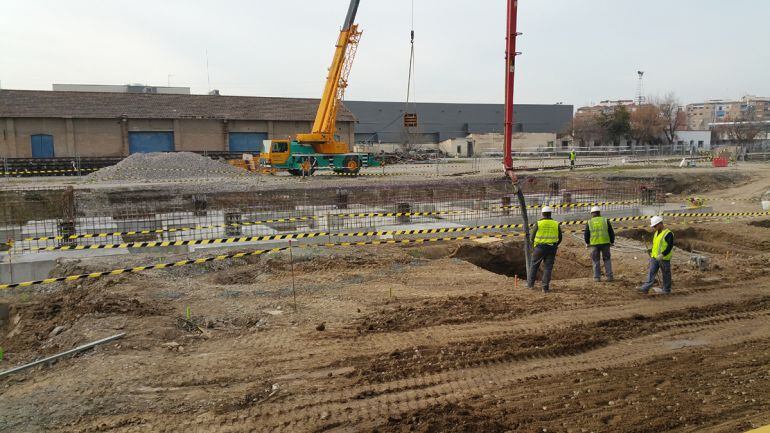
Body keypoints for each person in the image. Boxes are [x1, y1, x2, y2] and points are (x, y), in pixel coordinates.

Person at [528, 206, 562, 293]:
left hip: (539, 248)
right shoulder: (556, 223)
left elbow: (532, 237)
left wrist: (534, 246)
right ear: (550, 214)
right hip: (552, 248)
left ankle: (530, 285)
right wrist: (555, 245)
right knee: (548, 268)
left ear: (542, 214)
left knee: (534, 265)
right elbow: (560, 237)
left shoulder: (538, 223)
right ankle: (545, 287)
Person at [639, 216, 674, 295]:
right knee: (651, 272)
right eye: (653, 226)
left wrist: (662, 255)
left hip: (664, 258)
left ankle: (666, 289)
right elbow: (657, 246)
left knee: (666, 274)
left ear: (660, 224)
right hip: (654, 257)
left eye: (655, 226)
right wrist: (650, 250)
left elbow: (669, 246)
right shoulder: (656, 233)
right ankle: (645, 288)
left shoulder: (668, 234)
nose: (654, 228)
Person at [584, 206, 615, 282]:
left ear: (592, 214)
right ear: (599, 213)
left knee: (595, 261)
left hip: (594, 244)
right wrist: (612, 241)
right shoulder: (605, 220)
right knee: (607, 259)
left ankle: (597, 278)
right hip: (605, 243)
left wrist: (587, 242)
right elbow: (611, 232)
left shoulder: (589, 222)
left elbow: (586, 234)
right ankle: (609, 277)